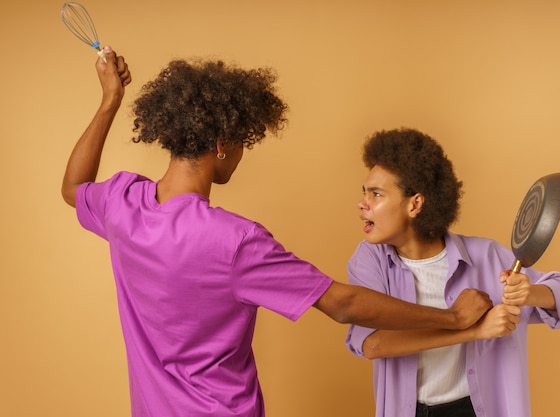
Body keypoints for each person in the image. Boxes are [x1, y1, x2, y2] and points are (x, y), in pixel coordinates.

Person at [60, 47, 493, 417]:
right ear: (222, 144)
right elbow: (341, 303)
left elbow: (73, 188)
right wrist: (453, 318)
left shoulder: (121, 204)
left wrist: (110, 101)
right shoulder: (234, 242)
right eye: (243, 142)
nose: (241, 154)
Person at [345, 128, 560, 417]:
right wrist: (473, 329)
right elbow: (373, 343)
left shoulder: (486, 256)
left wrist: (530, 292)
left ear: (415, 204)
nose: (362, 203)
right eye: (364, 192)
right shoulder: (370, 260)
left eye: (376, 194)